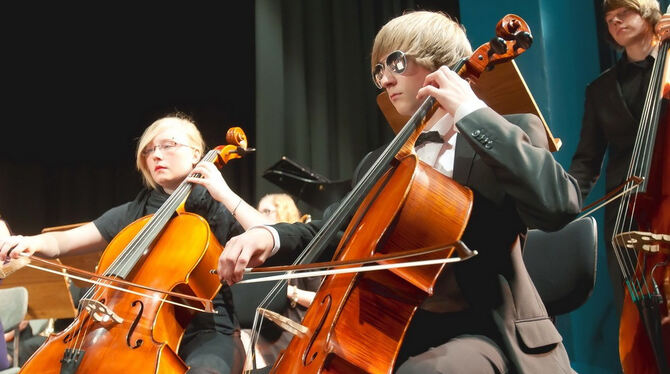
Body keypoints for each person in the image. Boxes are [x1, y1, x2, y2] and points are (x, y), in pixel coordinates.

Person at [217, 10, 581, 374]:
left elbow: (559, 205)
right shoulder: (383, 161)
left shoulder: (508, 132)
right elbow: (331, 230)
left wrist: (471, 111)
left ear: (442, 64)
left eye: (395, 63)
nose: (385, 80)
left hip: (487, 331)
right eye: (378, 71)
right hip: (392, 330)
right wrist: (268, 235)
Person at [0, 114, 270, 374]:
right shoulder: (136, 211)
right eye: (149, 150)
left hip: (207, 331)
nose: (156, 155)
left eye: (168, 145)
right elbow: (64, 242)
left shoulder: (216, 206)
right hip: (133, 328)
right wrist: (30, 242)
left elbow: (268, 233)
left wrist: (223, 193)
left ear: (196, 153)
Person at [568, 0, 670, 316]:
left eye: (624, 12)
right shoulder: (599, 89)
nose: (615, 20)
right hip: (627, 211)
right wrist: (563, 202)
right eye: (609, 18)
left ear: (648, 13)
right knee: (634, 305)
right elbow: (587, 160)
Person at [239, 193, 317, 370]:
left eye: (267, 211)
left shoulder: (310, 255)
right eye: (258, 211)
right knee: (240, 338)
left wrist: (290, 292)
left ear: (286, 212)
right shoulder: (262, 257)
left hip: (298, 330)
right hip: (266, 329)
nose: (260, 216)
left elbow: (322, 298)